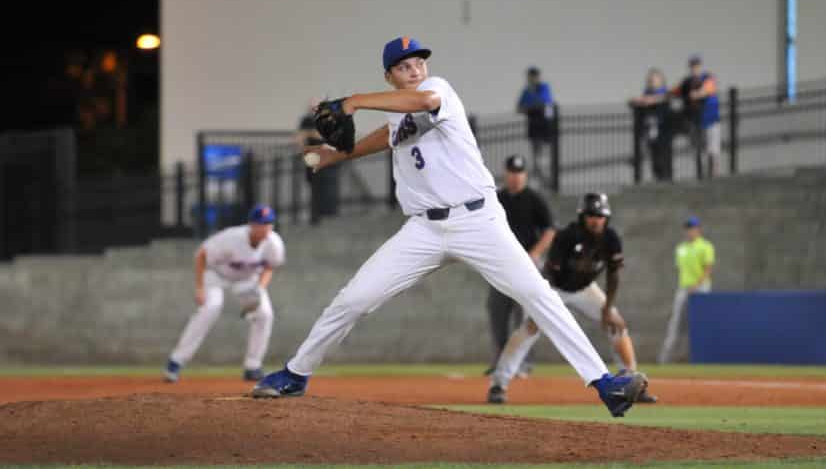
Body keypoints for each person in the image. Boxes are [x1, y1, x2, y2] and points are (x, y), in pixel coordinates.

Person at [253, 36, 648, 418]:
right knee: (354, 298)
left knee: (537, 294)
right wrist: (332, 155)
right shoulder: (396, 111)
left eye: (419, 62)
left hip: (477, 220)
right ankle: (296, 373)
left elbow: (424, 101)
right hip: (423, 229)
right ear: (389, 75)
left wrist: (353, 101)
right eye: (404, 66)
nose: (415, 70)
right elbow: (388, 136)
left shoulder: (436, 89)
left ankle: (603, 383)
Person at [487, 193, 657, 405]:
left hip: (585, 289)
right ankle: (498, 384)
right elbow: (549, 273)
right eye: (591, 215)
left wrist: (607, 308)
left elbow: (613, 275)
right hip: (555, 288)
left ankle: (633, 385)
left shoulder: (610, 238)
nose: (596, 219)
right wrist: (542, 308)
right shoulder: (567, 236)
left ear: (607, 218)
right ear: (582, 216)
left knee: (617, 324)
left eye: (600, 215)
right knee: (529, 328)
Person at [163, 205, 285, 383]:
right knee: (210, 308)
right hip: (216, 275)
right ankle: (175, 361)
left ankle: (253, 366)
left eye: (268, 223)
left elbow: (270, 266)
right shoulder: (232, 238)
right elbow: (201, 256)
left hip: (247, 279)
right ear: (251, 224)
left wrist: (259, 289)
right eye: (260, 223)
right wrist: (199, 288)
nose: (265, 228)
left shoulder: (274, 243)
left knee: (265, 314)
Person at [486, 154, 555, 376]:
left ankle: (523, 364)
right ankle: (500, 363)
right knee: (497, 311)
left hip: (526, 265)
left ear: (524, 175)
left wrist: (534, 253)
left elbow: (549, 230)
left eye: (519, 172)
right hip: (501, 265)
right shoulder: (497, 199)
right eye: (512, 172)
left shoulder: (533, 198)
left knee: (525, 315)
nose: (516, 177)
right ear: (506, 174)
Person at [658, 215, 715, 364]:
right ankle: (665, 359)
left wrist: (697, 285)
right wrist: (689, 285)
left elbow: (708, 269)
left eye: (693, 228)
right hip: (683, 288)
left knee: (701, 323)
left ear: (698, 229)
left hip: (701, 289)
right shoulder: (680, 248)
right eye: (688, 228)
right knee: (675, 322)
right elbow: (681, 270)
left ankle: (703, 357)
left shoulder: (705, 246)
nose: (690, 231)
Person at [672, 54, 721, 178]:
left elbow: (707, 89)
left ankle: (713, 173)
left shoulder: (707, 78)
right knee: (697, 148)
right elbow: (673, 92)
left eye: (696, 66)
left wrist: (697, 93)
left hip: (710, 119)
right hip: (695, 121)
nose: (694, 68)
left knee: (712, 149)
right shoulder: (686, 82)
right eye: (692, 66)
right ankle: (701, 173)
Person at [297, 100, 339, 223]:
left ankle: (327, 213)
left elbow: (325, 135)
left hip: (326, 155)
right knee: (313, 184)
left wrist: (309, 134)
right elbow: (300, 137)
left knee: (326, 185)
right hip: (311, 156)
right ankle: (315, 215)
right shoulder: (306, 120)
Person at [628, 68, 674, 181]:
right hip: (650, 131)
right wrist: (641, 101)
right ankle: (657, 176)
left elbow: (661, 99)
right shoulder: (647, 93)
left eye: (653, 80)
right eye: (649, 80)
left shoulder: (664, 93)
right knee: (654, 156)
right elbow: (634, 101)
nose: (651, 82)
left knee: (663, 156)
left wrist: (646, 100)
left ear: (660, 81)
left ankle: (665, 177)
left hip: (663, 132)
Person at [516, 66, 555, 186]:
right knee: (536, 155)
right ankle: (540, 179)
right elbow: (520, 107)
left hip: (544, 126)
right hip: (533, 126)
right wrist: (531, 105)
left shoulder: (543, 88)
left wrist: (531, 104)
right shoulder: (526, 91)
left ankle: (545, 179)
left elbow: (545, 102)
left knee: (544, 155)